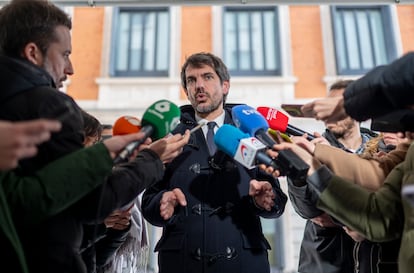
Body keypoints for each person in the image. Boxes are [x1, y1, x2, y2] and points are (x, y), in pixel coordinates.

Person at [0, 1, 190, 272]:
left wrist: (103, 154)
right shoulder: (53, 107)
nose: (71, 68)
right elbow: (90, 202)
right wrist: (151, 160)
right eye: (64, 54)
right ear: (32, 52)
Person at [141, 52, 288, 273]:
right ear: (186, 90)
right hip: (182, 263)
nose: (199, 85)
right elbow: (149, 202)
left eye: (207, 77)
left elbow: (276, 203)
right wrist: (163, 202)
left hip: (244, 262)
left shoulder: (251, 131)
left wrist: (265, 199)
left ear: (225, 86)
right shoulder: (169, 137)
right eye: (191, 80)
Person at [276, 51, 414, 273]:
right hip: (326, 264)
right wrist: (312, 160)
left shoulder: (381, 144)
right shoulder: (406, 152)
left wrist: (350, 103)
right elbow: (378, 212)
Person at [288, 80, 374, 273]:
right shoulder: (312, 147)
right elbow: (310, 210)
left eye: (338, 107)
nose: (330, 114)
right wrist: (298, 172)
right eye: (328, 107)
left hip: (374, 261)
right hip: (325, 263)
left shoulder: (384, 147)